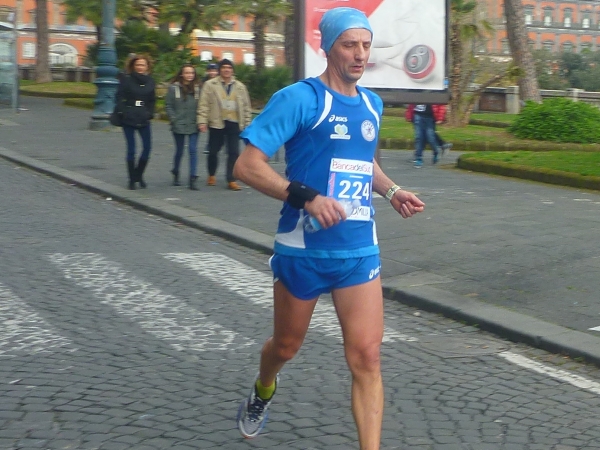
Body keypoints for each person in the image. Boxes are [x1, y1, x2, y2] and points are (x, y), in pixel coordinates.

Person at [232, 7, 425, 449]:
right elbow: (246, 166)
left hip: (358, 250)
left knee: (368, 357)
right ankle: (264, 388)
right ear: (327, 47)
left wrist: (392, 190)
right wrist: (309, 198)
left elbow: (363, 162)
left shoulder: (372, 104)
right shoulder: (299, 99)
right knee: (285, 346)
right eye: (349, 45)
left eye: (366, 45)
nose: (360, 55)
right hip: (303, 250)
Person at [196, 59, 252, 191]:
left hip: (234, 122)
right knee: (213, 151)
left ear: (232, 70)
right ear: (220, 70)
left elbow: (246, 106)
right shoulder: (210, 85)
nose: (227, 70)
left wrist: (247, 123)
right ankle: (211, 174)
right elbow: (203, 104)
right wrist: (202, 121)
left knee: (233, 152)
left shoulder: (240, 86)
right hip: (217, 122)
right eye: (224, 67)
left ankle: (231, 179)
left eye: (229, 68)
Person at [115, 54, 156, 189]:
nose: (140, 67)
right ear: (133, 66)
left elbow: (152, 100)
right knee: (131, 149)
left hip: (144, 117)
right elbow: (119, 97)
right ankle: (132, 179)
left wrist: (150, 113)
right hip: (129, 117)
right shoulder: (126, 80)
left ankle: (139, 175)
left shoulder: (150, 81)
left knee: (147, 148)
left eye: (143, 65)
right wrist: (123, 112)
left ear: (147, 67)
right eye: (137, 65)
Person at [165, 64, 201, 190]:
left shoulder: (198, 89)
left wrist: (201, 120)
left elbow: (203, 105)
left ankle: (193, 177)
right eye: (187, 73)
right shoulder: (173, 88)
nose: (189, 75)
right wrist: (173, 119)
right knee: (179, 150)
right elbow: (168, 105)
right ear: (182, 74)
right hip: (179, 123)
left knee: (193, 149)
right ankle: (175, 171)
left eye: (192, 73)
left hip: (193, 123)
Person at [405, 103, 445, 168]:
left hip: (430, 117)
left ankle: (436, 151)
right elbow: (412, 102)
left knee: (430, 137)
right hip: (418, 114)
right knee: (419, 137)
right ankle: (418, 158)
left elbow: (440, 104)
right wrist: (409, 115)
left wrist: (440, 117)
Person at [201, 63, 219, 155]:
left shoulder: (221, 81)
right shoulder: (204, 82)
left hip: (219, 108)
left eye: (214, 70)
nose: (212, 73)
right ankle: (209, 145)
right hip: (208, 108)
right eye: (211, 71)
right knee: (212, 128)